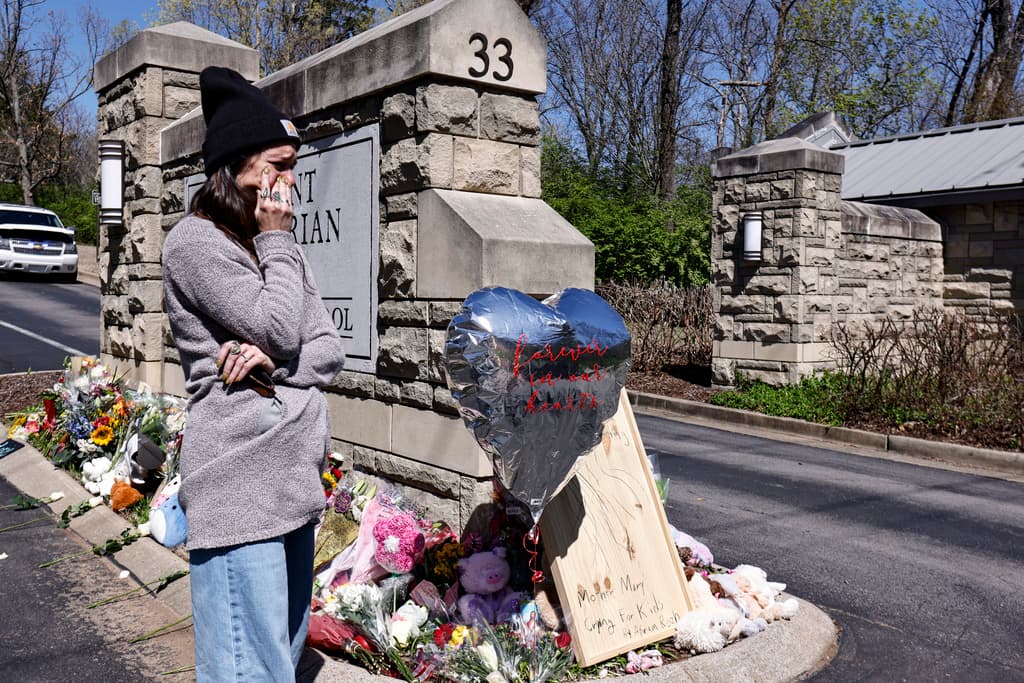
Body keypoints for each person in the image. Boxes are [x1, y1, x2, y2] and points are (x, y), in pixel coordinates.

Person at [162, 66, 346, 681]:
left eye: (294, 164)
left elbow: (325, 351)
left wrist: (276, 367)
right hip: (240, 480)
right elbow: (279, 328)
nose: (290, 180)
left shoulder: (279, 249)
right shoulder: (195, 243)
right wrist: (276, 242)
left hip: (290, 482)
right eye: (279, 163)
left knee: (281, 661)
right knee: (250, 670)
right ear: (237, 165)